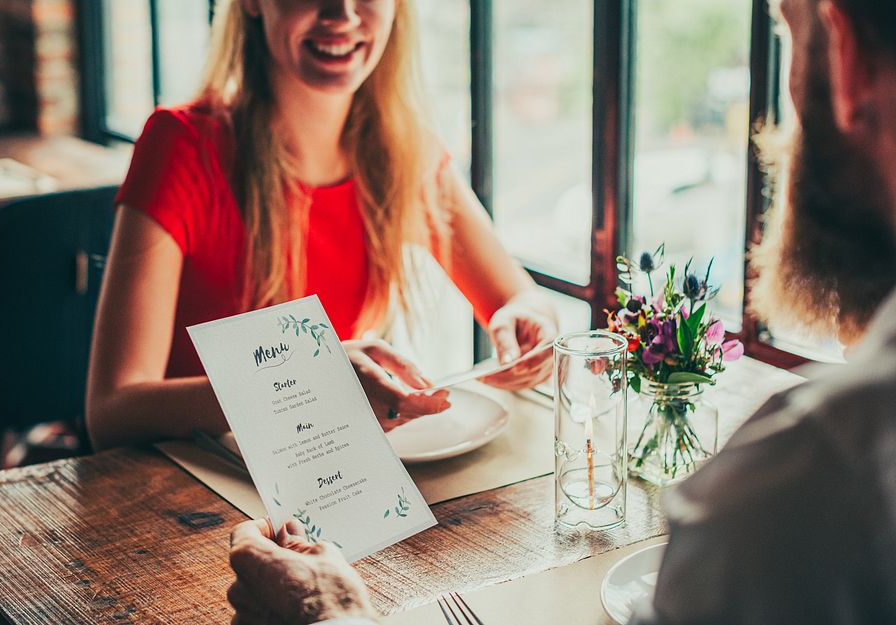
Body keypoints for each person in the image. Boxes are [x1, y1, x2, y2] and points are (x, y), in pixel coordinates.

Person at [224, 0, 896, 623]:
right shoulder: (812, 480)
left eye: (786, 32)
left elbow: (515, 294)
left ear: (845, 56)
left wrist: (337, 613)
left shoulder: (807, 487)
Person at [85, 0, 558, 450]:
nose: (343, 14)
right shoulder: (181, 146)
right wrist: (307, 384)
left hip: (334, 481)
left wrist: (530, 325)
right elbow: (112, 412)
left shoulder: (405, 154)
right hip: (194, 489)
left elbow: (521, 300)